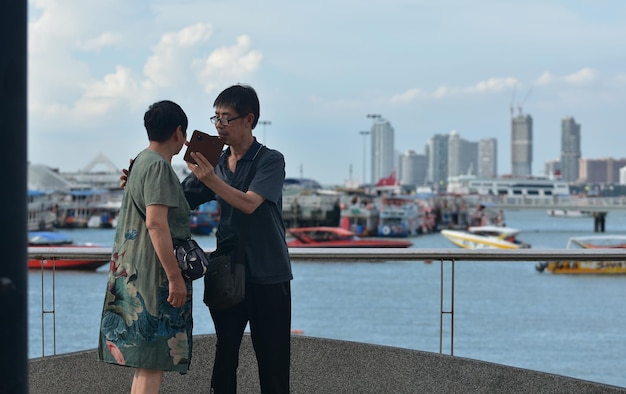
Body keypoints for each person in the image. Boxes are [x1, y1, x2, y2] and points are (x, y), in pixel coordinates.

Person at [183, 84, 292, 393]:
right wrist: (139, 180)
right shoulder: (214, 164)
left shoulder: (270, 160)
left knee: (273, 362)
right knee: (225, 355)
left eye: (226, 118)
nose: (219, 126)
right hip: (227, 272)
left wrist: (211, 180)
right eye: (215, 118)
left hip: (269, 274)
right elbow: (179, 198)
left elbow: (249, 203)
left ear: (249, 119)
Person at [98, 100, 193, 393]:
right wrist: (176, 278)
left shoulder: (140, 161)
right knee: (154, 360)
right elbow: (156, 223)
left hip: (132, 269)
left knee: (145, 364)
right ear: (179, 132)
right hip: (155, 276)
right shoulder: (160, 168)